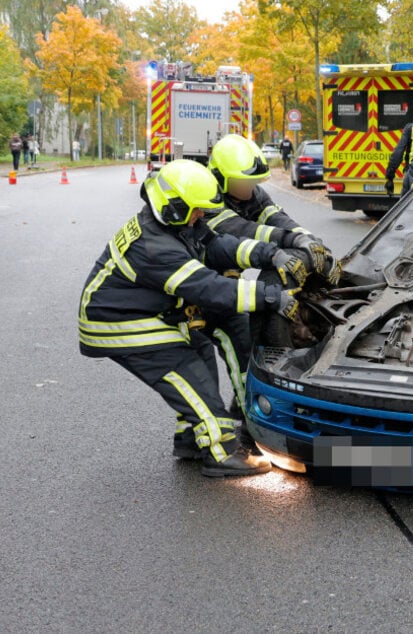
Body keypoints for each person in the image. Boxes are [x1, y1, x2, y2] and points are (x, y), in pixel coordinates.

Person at [78, 160, 306, 476]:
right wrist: (270, 297)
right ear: (173, 206)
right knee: (187, 372)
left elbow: (218, 246)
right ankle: (222, 451)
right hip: (118, 322)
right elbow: (208, 287)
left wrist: (271, 254)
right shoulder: (156, 247)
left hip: (140, 311)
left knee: (199, 348)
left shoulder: (173, 224)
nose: (201, 215)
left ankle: (189, 440)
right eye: (195, 209)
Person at [205, 134, 339, 284]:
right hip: (200, 277)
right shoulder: (207, 198)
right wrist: (291, 240)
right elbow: (243, 229)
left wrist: (314, 243)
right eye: (243, 182)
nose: (250, 187)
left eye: (254, 181)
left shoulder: (253, 193)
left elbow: (277, 218)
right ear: (220, 177)